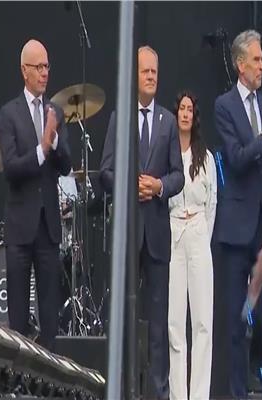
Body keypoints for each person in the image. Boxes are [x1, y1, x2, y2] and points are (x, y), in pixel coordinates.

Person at [100, 45, 185, 400]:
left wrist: (159, 186)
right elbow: (105, 172)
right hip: (129, 233)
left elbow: (178, 176)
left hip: (157, 236)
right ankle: (123, 388)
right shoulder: (120, 118)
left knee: (158, 320)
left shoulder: (167, 121)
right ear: (134, 76)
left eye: (154, 72)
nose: (151, 77)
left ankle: (158, 391)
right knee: (124, 315)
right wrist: (130, 184)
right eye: (145, 71)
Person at [214, 29, 262, 399]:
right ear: (241, 64)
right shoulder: (224, 106)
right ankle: (237, 393)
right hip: (236, 228)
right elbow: (236, 159)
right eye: (257, 60)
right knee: (235, 321)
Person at [0, 39, 72, 350]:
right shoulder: (9, 113)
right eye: (38, 67)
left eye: (47, 66)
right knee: (17, 317)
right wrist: (41, 149)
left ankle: (51, 374)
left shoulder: (55, 111)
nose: (44, 73)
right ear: (24, 70)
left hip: (48, 227)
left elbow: (66, 165)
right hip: (20, 226)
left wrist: (53, 141)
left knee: (50, 317)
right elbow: (11, 168)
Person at [167, 91, 217, 400]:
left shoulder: (206, 157)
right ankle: (178, 394)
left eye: (190, 109)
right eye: (181, 108)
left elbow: (212, 203)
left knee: (202, 322)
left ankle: (199, 394)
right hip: (174, 231)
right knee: (175, 321)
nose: (185, 114)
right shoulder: (168, 154)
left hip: (198, 230)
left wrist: (202, 236)